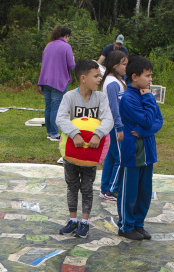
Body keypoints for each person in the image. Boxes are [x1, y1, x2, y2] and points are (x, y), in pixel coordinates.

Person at [56, 59, 114, 239]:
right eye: (96, 76)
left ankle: (85, 223)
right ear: (83, 78)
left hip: (90, 154)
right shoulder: (69, 97)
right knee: (72, 186)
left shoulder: (101, 98)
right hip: (72, 153)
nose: (99, 80)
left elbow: (108, 119)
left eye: (99, 76)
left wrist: (98, 134)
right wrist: (74, 133)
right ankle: (73, 220)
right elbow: (60, 118)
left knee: (87, 188)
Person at [117, 55, 163, 241]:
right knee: (130, 192)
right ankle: (126, 226)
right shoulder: (128, 99)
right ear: (134, 77)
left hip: (148, 151)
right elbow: (147, 119)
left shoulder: (146, 95)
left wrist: (144, 132)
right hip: (133, 152)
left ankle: (138, 224)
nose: (150, 80)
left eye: (151, 76)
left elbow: (158, 121)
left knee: (144, 192)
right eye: (147, 76)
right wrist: (150, 100)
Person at [99, 50, 128, 200]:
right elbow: (113, 107)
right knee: (120, 158)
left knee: (111, 156)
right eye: (123, 64)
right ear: (114, 65)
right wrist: (119, 127)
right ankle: (111, 190)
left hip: (113, 125)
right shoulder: (112, 83)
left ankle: (105, 187)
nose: (125, 67)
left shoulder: (117, 81)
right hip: (114, 126)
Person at [38, 26, 75, 141]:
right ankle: (54, 133)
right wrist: (73, 59)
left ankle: (49, 132)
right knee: (56, 108)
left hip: (45, 80)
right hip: (58, 81)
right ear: (66, 36)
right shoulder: (66, 47)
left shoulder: (48, 45)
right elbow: (71, 65)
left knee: (48, 107)